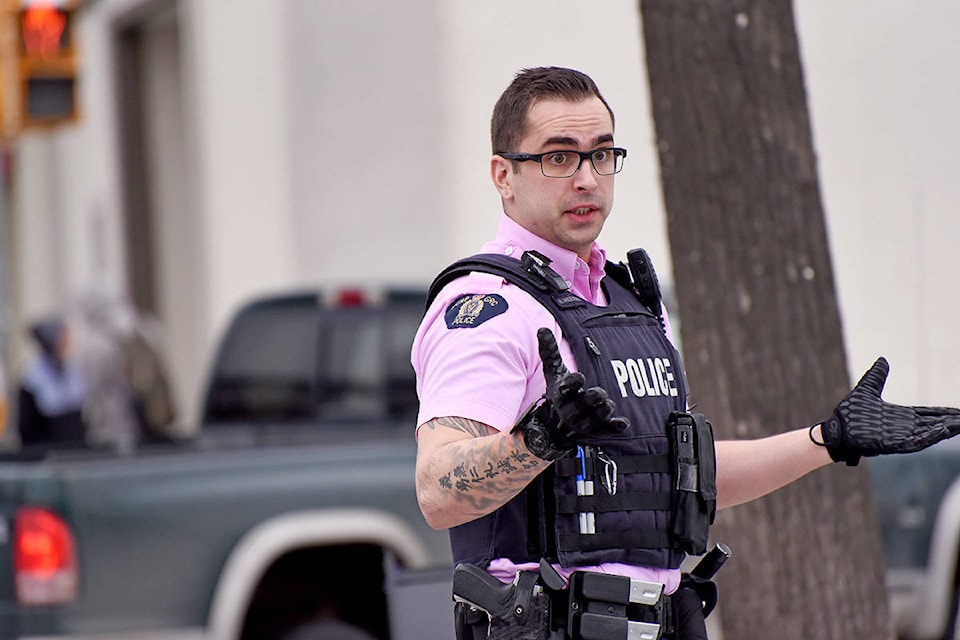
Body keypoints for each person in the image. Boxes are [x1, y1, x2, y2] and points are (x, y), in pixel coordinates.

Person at [412, 66, 960, 640]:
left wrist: (828, 440)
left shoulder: (627, 301)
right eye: (558, 157)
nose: (586, 179)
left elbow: (676, 478)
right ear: (504, 175)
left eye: (602, 154)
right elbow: (436, 493)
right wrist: (538, 440)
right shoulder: (490, 309)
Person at [74, 286, 178, 454]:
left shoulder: (94, 344)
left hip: (112, 428)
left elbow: (93, 390)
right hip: (145, 422)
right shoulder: (142, 328)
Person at [16, 316, 87, 449]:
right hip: (48, 452)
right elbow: (27, 428)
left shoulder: (71, 370)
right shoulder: (32, 381)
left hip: (75, 450)